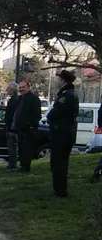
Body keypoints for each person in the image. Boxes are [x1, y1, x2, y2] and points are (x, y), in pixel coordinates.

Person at [47, 70, 79, 198]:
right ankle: (59, 190)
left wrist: (50, 117)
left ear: (63, 80)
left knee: (58, 164)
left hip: (62, 134)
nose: (57, 81)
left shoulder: (66, 96)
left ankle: (60, 191)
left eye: (58, 79)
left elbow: (56, 112)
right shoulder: (70, 94)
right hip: (64, 134)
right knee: (60, 163)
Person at [12, 80, 41, 173]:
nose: (21, 89)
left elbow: (37, 115)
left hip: (28, 129)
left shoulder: (34, 99)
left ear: (28, 87)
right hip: (20, 128)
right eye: (20, 87)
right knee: (21, 148)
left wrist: (31, 125)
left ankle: (25, 167)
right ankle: (22, 165)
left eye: (23, 87)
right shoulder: (20, 99)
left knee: (27, 148)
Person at [4, 82, 20, 170]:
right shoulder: (13, 100)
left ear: (13, 90)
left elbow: (13, 115)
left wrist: (11, 129)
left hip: (12, 128)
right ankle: (12, 164)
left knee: (12, 147)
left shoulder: (15, 100)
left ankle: (12, 165)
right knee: (11, 147)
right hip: (11, 127)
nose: (7, 90)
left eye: (8, 89)